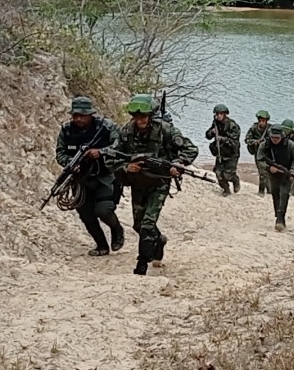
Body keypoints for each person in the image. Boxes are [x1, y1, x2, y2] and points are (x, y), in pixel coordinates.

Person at [112, 94, 200, 276]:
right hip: (138, 184)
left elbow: (190, 148)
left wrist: (179, 163)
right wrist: (127, 167)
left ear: (151, 116)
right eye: (136, 117)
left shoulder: (165, 130)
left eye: (143, 117)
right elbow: (112, 157)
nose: (140, 121)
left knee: (147, 224)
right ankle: (159, 241)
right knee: (138, 226)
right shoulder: (126, 132)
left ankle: (141, 265)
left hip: (159, 182)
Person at [54, 96, 125, 256]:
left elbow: (120, 146)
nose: (78, 119)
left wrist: (101, 152)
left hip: (105, 176)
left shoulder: (106, 127)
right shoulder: (66, 130)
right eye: (75, 115)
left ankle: (117, 229)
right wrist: (71, 163)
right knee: (86, 215)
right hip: (80, 180)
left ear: (90, 114)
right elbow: (60, 153)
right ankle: (101, 246)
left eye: (82, 115)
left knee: (103, 210)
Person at [257, 125, 294, 232]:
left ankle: (281, 219)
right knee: (275, 193)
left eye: (277, 138)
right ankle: (278, 215)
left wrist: (293, 171)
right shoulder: (265, 145)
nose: (275, 140)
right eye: (273, 138)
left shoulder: (290, 145)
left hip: (287, 174)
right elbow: (259, 159)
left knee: (284, 194)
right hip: (273, 175)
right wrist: (269, 167)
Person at [204, 104, 241, 196]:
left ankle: (235, 180)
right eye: (217, 114)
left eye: (221, 114)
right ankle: (226, 190)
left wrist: (222, 139)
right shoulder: (215, 123)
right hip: (220, 152)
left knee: (228, 175)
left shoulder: (233, 126)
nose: (219, 116)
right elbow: (207, 136)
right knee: (218, 174)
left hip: (232, 153)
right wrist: (211, 132)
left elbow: (235, 143)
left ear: (225, 114)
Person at [244, 110, 273, 196]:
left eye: (263, 121)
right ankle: (265, 191)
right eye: (260, 120)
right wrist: (256, 142)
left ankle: (266, 191)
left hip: (268, 153)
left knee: (267, 173)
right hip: (258, 153)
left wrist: (265, 142)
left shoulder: (271, 129)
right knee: (262, 172)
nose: (261, 123)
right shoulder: (253, 128)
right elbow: (247, 140)